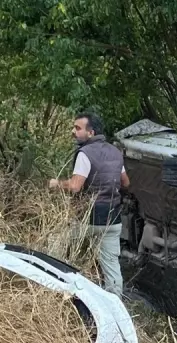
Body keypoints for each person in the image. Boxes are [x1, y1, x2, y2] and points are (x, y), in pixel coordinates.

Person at [48, 112, 130, 298]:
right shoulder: (115, 152)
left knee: (55, 242)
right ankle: (115, 306)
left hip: (88, 218)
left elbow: (76, 186)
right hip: (113, 219)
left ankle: (54, 289)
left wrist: (56, 184)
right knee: (111, 265)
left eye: (77, 128)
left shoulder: (85, 154)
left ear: (91, 133)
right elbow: (125, 183)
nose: (73, 131)